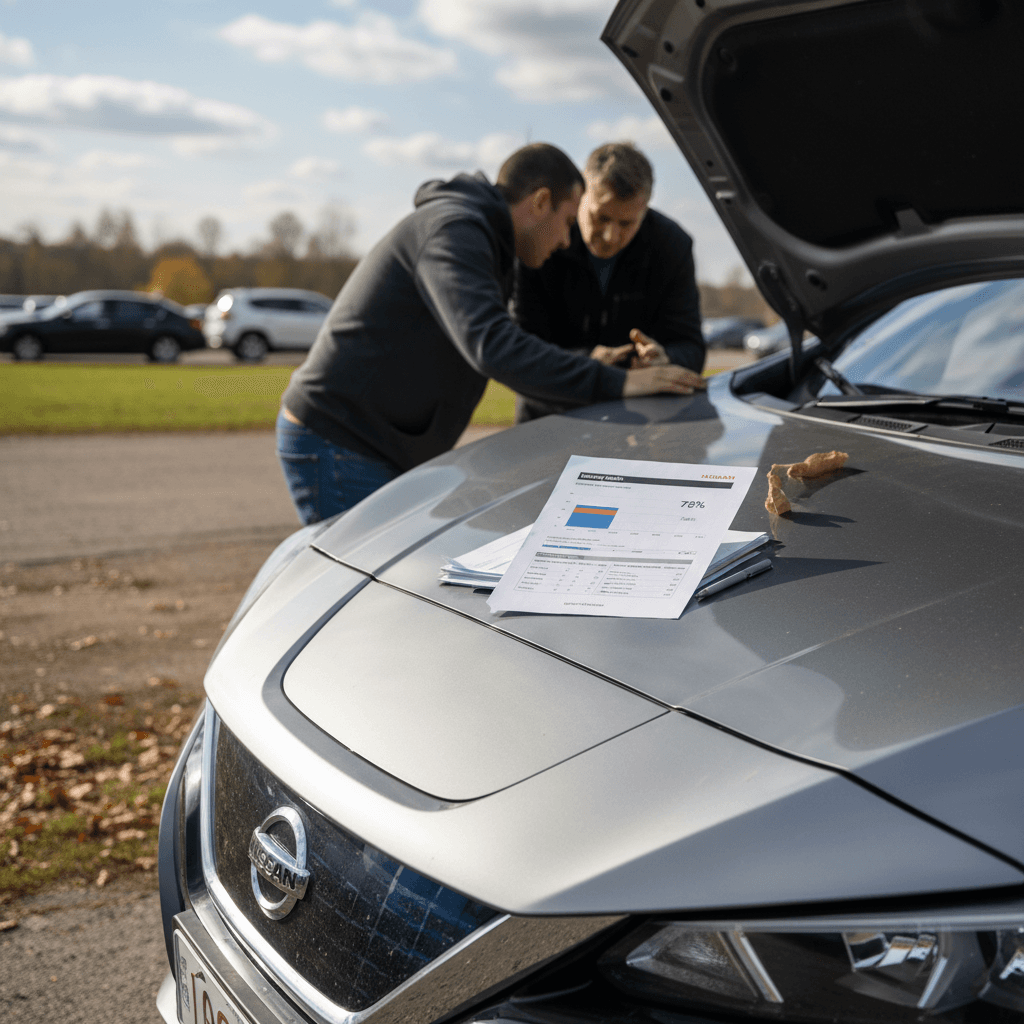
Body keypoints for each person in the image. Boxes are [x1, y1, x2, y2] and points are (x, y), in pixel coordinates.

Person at [277, 143, 701, 525]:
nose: (568, 239)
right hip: (342, 440)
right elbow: (493, 345)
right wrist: (621, 381)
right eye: (570, 221)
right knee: (374, 598)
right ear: (540, 202)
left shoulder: (485, 239)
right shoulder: (454, 231)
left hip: (371, 442)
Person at [511, 142, 706, 422]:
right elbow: (522, 346)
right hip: (547, 418)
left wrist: (665, 358)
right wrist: (587, 362)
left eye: (627, 224)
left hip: (635, 422)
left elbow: (691, 347)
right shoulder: (542, 238)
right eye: (600, 218)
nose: (611, 236)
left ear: (645, 208)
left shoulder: (672, 246)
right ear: (580, 195)